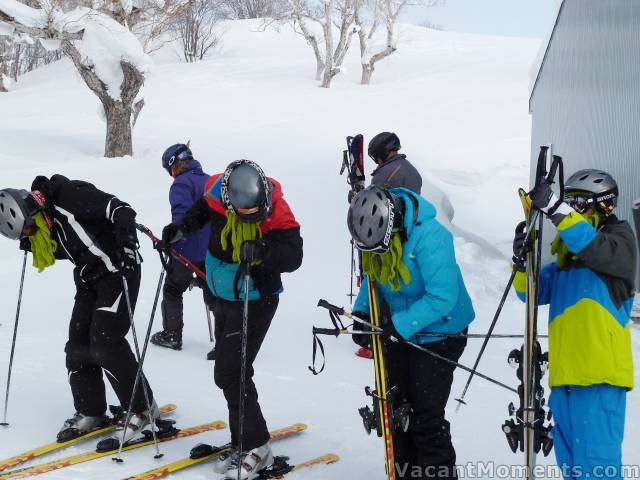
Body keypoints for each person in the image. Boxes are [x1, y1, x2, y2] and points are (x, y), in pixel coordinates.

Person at [159, 160, 303, 479]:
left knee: (230, 372)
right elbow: (200, 212)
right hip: (222, 290)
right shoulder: (215, 191)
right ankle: (243, 440)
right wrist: (180, 228)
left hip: (256, 297)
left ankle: (256, 446)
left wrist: (264, 250)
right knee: (231, 372)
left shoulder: (275, 204)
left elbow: (294, 254)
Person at [0, 177, 158, 442]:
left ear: (33, 212)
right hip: (89, 278)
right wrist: (38, 242)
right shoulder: (45, 225)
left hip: (119, 270)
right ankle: (91, 410)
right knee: (77, 345)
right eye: (24, 235)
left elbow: (121, 210)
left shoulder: (71, 197)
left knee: (105, 341)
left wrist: (128, 245)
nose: (30, 235)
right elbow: (73, 243)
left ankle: (143, 409)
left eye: (28, 229)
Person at [513, 169, 636, 480]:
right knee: (573, 472)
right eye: (570, 202)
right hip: (565, 383)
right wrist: (521, 261)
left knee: (598, 473)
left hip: (599, 382)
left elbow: (596, 248)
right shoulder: (566, 264)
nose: (573, 208)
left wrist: (556, 210)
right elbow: (528, 292)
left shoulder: (619, 243)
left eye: (580, 202)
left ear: (603, 204)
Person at [349, 186, 475, 479]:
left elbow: (443, 296)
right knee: (395, 410)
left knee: (425, 417)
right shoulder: (373, 234)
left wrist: (399, 325)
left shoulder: (431, 236)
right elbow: (372, 277)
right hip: (398, 329)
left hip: (442, 332)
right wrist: (362, 314)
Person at [355, 132, 424, 359]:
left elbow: (374, 205)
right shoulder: (412, 170)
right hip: (410, 234)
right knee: (403, 283)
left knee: (380, 280)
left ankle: (380, 338)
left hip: (387, 238)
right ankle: (405, 330)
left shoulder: (385, 174)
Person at [150, 143, 216, 356]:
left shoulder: (181, 184)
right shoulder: (210, 181)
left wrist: (169, 241)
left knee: (172, 289)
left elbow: (181, 219)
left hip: (187, 250)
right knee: (213, 289)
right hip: (214, 251)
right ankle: (226, 339)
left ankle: (172, 334)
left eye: (168, 169)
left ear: (174, 164)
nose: (170, 174)